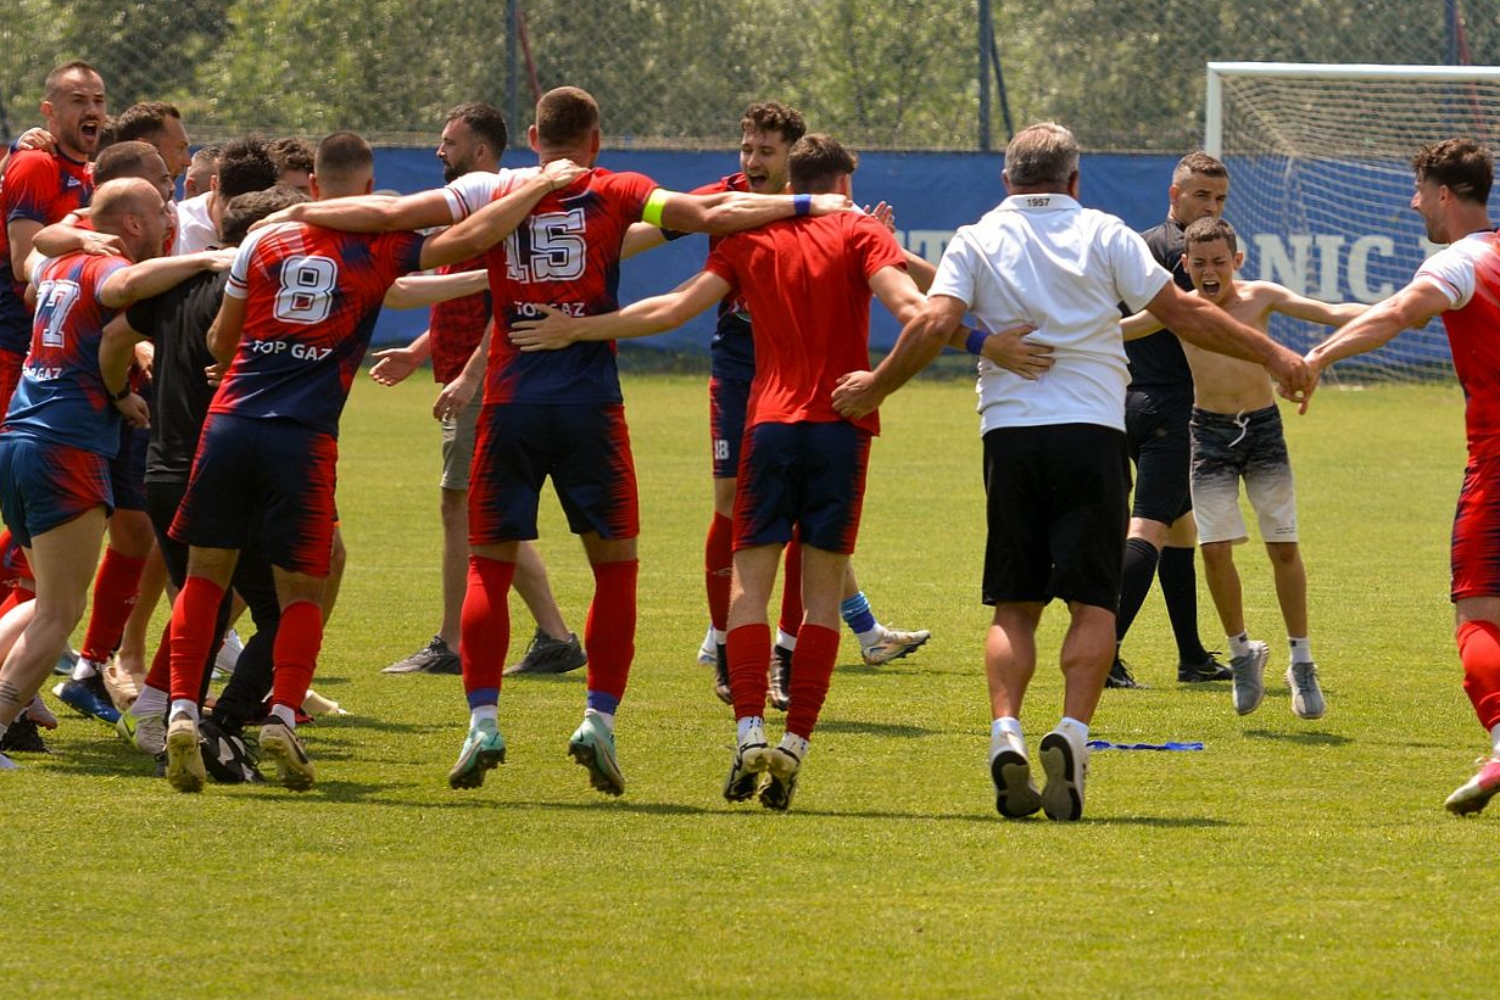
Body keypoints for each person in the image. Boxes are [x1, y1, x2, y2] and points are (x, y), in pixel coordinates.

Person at [262, 87, 856, 798]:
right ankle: (598, 720)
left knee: (488, 566)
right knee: (616, 570)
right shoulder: (620, 188)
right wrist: (811, 203)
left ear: (533, 136)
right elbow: (707, 215)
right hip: (590, 407)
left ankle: (482, 722)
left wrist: (299, 213)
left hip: (510, 403)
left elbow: (392, 214)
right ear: (596, 140)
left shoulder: (494, 187)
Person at [512, 134, 1048, 809]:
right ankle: (795, 742)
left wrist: (576, 328)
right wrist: (958, 351)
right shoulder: (860, 232)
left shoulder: (751, 238)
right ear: (842, 187)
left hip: (767, 427)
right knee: (822, 599)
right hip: (841, 427)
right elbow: (919, 313)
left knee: (749, 590)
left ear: (792, 181)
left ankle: (747, 732)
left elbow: (672, 308)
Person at [830, 122, 1312, 821]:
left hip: (1010, 438)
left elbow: (933, 323)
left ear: (1006, 180)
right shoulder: (1105, 231)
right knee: (1094, 605)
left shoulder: (976, 237)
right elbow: (1181, 312)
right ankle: (1072, 734)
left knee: (1014, 606)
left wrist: (876, 386)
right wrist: (1275, 355)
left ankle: (1006, 731)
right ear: (1075, 181)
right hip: (1091, 434)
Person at [158, 131, 586, 793]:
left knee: (205, 578)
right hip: (301, 439)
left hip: (229, 425)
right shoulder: (377, 247)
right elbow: (470, 239)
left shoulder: (262, 242)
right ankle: (282, 715)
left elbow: (219, 338)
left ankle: (183, 711)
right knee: (304, 589)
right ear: (363, 193)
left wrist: (250, 353)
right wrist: (539, 186)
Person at [626, 101, 931, 706]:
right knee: (731, 501)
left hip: (806, 370)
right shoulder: (728, 200)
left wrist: (943, 279)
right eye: (746, 148)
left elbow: (908, 275)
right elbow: (643, 232)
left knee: (799, 520)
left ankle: (787, 653)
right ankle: (725, 642)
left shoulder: (833, 209)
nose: (751, 161)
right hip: (741, 360)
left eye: (765, 151)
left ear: (796, 158)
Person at [0, 177, 231, 770]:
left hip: (19, 438)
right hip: (66, 446)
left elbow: (35, 253)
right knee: (60, 611)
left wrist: (119, 393)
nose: (170, 219)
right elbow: (123, 286)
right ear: (131, 223)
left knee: (44, 597)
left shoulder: (55, 264)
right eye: (159, 211)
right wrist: (206, 259)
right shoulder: (105, 266)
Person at [1302, 137, 1500, 815]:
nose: (1413, 204)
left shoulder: (1459, 260)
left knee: (1478, 614)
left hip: (1496, 462)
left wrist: (1317, 358)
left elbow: (1397, 313)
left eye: (1418, 191)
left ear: (1444, 194)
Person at [369, 102, 584, 678]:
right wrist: (419, 352)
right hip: (469, 376)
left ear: (481, 150)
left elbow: (510, 303)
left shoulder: (500, 212)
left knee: (463, 505)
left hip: (490, 380)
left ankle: (453, 642)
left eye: (450, 142)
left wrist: (470, 376)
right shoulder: (467, 211)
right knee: (479, 508)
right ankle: (554, 637)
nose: (439, 150)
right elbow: (461, 297)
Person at [1123, 217, 1365, 719]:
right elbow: (1118, 329)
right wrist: (1055, 334)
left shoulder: (1261, 297)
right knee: (1214, 551)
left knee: (1283, 547)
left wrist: (1402, 311)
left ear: (1237, 261)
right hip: (1207, 434)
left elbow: (1331, 311)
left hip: (1262, 432)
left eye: (1219, 262)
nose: (1210, 272)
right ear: (1184, 265)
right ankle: (1240, 653)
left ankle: (1301, 662)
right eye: (1199, 263)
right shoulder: (1178, 309)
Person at [1110, 152, 1235, 689]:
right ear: (1174, 195)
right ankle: (1102, 650)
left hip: (1129, 400)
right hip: (1172, 409)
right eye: (1201, 195)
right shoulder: (1188, 255)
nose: (1211, 206)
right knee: (1150, 528)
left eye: (1219, 198)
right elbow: (1206, 323)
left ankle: (1192, 656)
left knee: (1182, 530)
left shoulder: (1137, 245)